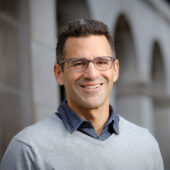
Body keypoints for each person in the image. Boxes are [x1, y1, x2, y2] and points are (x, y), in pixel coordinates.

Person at [1, 19, 164, 170]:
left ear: (115, 70)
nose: (92, 74)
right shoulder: (28, 149)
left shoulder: (145, 145)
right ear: (59, 73)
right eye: (78, 63)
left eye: (101, 62)